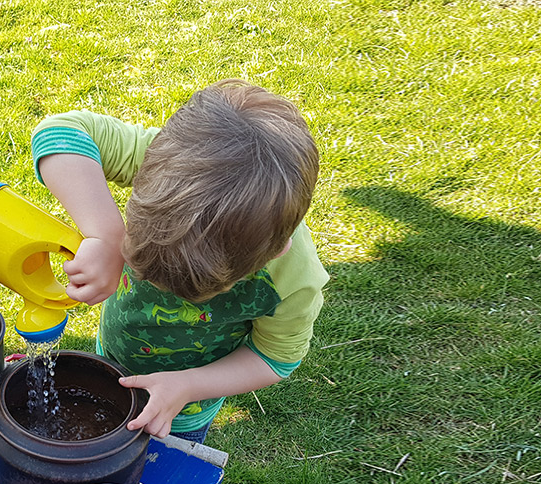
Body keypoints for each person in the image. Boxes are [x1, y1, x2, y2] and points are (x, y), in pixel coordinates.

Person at [31, 79, 329, 443]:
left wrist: (187, 386)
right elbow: (59, 133)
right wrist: (105, 235)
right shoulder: (172, 164)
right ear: (150, 168)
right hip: (114, 357)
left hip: (183, 407)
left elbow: (275, 358)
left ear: (275, 253)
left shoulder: (292, 282)